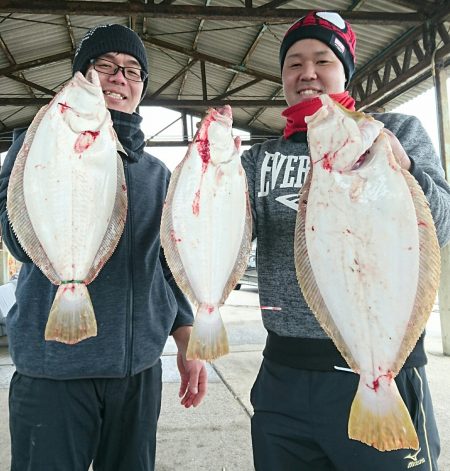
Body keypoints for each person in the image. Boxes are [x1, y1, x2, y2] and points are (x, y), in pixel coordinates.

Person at [241, 11, 450, 471]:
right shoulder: (258, 159)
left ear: (345, 71)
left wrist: (404, 170)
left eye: (322, 60)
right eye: (293, 63)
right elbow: (223, 241)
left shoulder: (395, 132)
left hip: (385, 366)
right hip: (284, 377)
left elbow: (443, 222)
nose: (307, 72)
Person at [0, 24, 207, 471]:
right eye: (105, 66)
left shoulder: (157, 173)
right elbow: (16, 242)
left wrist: (185, 335)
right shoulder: (35, 146)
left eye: (133, 71)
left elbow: (166, 265)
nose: (120, 77)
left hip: (137, 371)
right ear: (81, 77)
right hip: (52, 370)